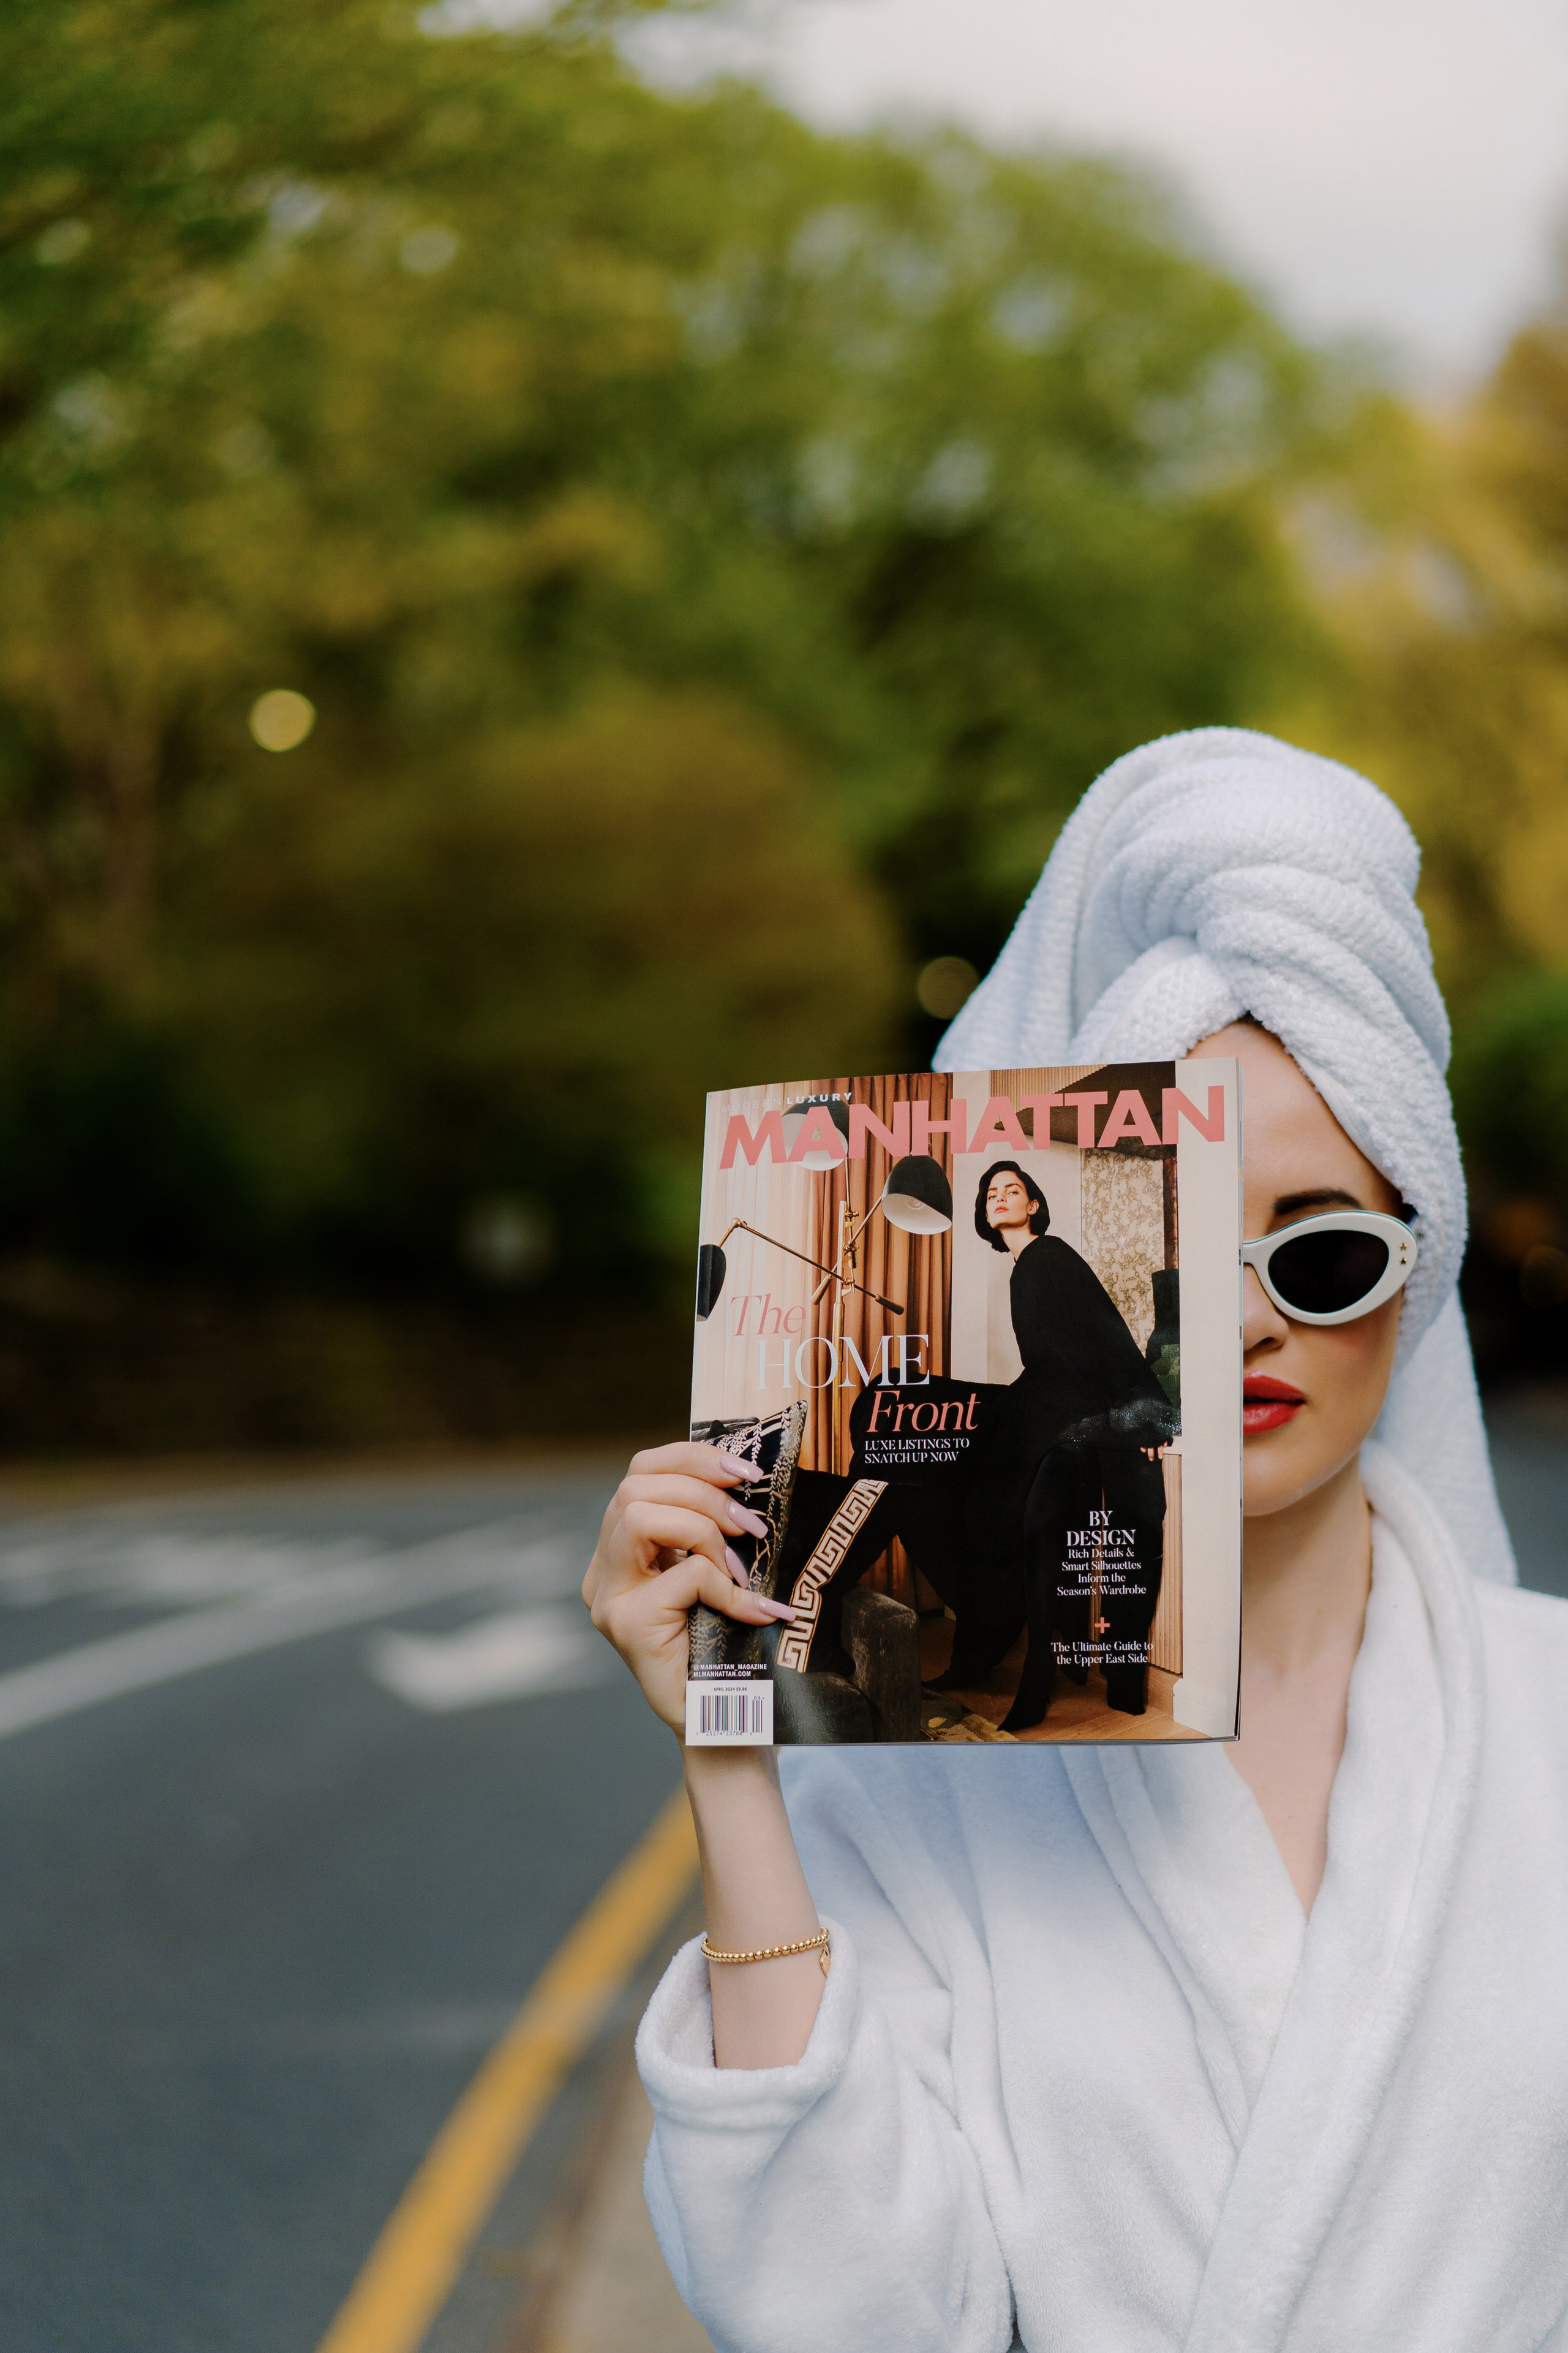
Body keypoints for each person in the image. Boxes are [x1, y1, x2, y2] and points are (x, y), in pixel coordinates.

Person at [581, 730, 1568, 2352]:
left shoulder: (1550, 1719)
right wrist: (736, 1746)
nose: (1246, 1323)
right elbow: (848, 2313)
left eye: (1322, 1254)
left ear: (1426, 1267)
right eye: (1181, 1252)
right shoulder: (936, 1753)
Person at [956, 1158, 1172, 1726]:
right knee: (1026, 1518)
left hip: (1081, 1418)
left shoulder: (1049, 1254)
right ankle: (1037, 1664)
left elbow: (1106, 1334)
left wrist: (1143, 1417)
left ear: (1033, 1205)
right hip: (1063, 1421)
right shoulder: (1023, 1268)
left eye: (1013, 1190)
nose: (999, 1197)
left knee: (1025, 1513)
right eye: (990, 1193)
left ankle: (1039, 1675)